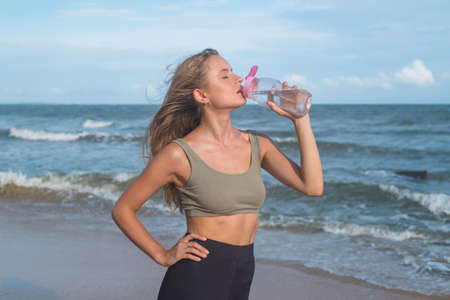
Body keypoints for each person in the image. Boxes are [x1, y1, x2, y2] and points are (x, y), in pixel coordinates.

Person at [111, 48, 323, 300]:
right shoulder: (179, 154)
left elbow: (312, 187)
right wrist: (162, 254)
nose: (238, 79)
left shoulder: (258, 144)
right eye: (225, 76)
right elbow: (123, 209)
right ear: (202, 95)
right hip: (197, 273)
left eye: (234, 72)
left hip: (243, 269)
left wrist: (301, 120)